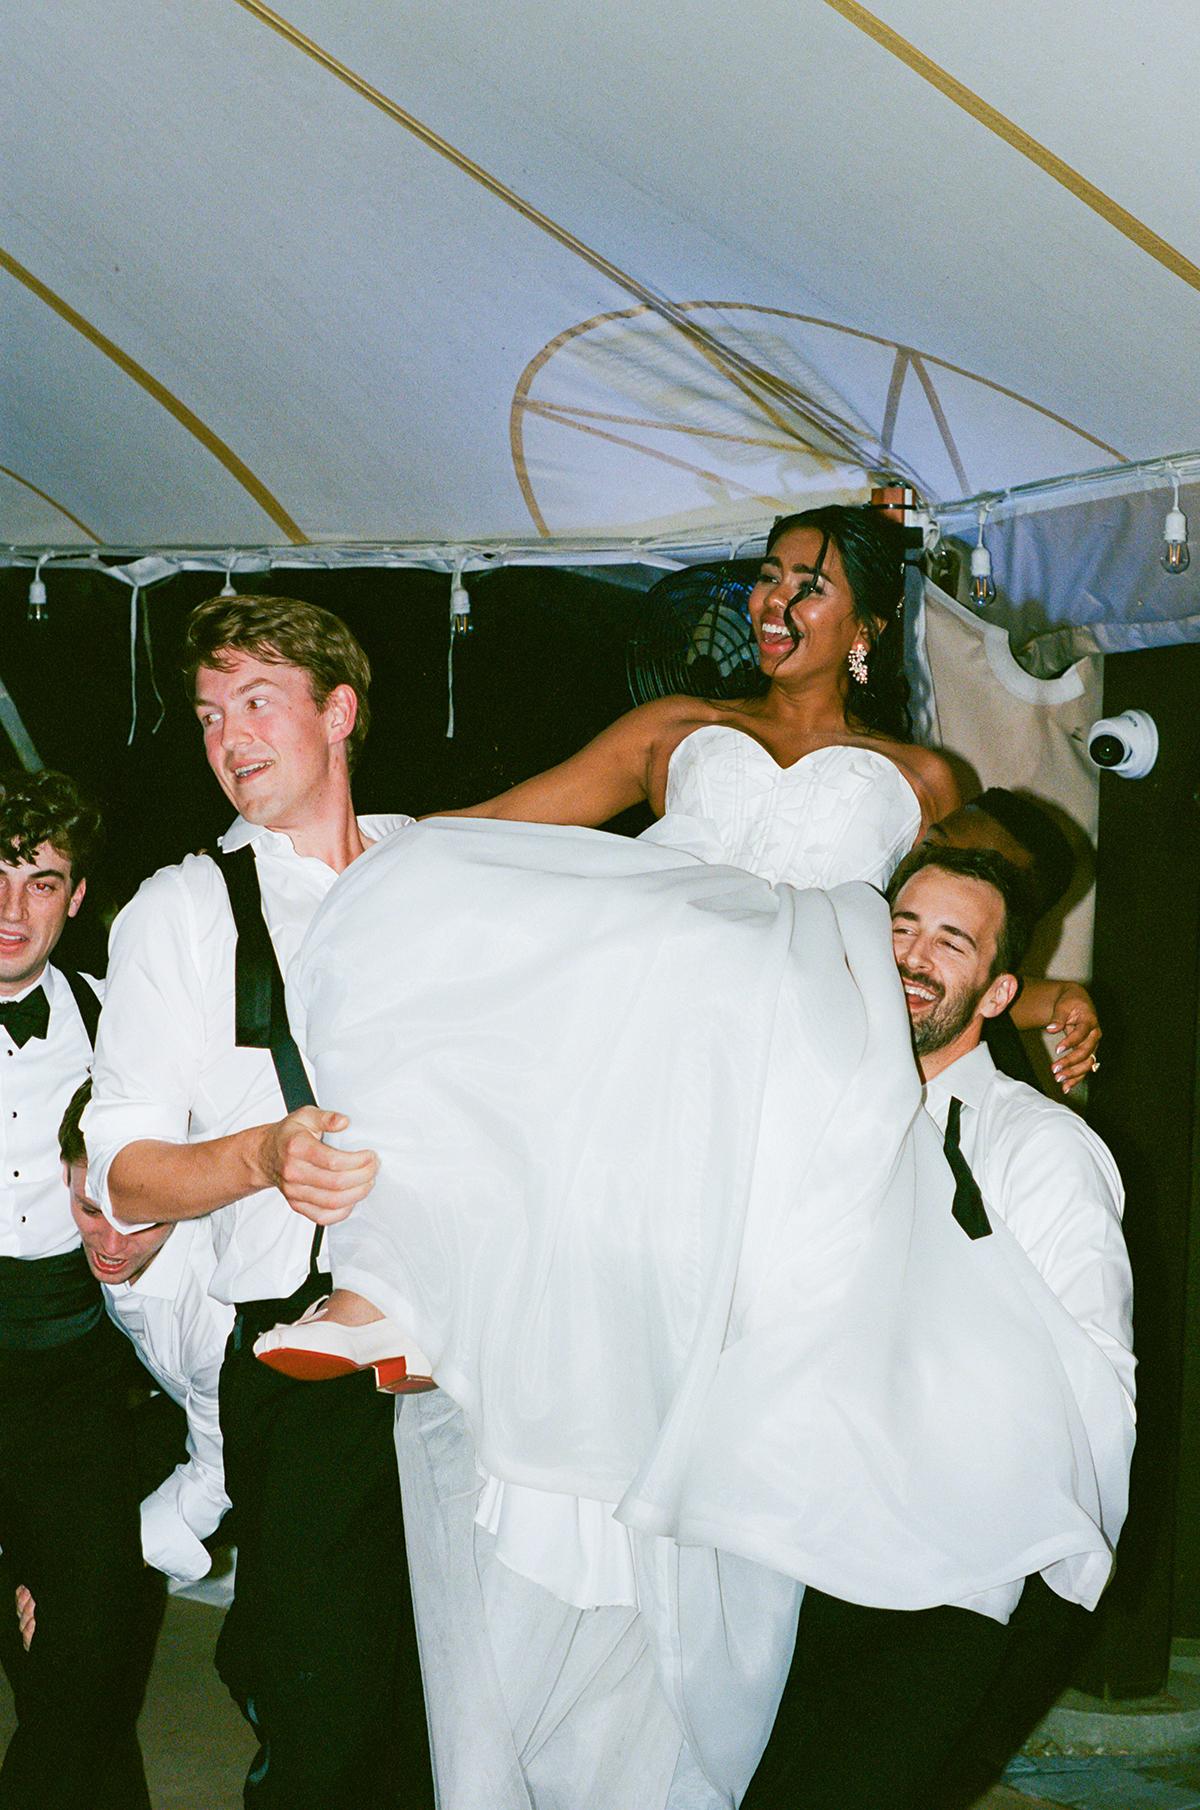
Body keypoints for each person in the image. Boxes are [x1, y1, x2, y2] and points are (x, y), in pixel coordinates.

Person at [251, 507, 1118, 1802]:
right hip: (643, 1082)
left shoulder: (925, 782)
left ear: (869, 629)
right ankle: (413, 1291)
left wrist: (1045, 999)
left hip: (779, 1115)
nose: (775, 601)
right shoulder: (672, 734)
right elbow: (490, 832)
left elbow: (946, 941)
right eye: (767, 577)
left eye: (808, 585)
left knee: (710, 1432)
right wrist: (356, 861)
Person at [81, 598, 434, 1810]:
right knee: (324, 1720)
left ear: (339, 712)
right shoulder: (183, 909)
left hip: (465, 1342)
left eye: (257, 700)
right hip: (304, 1360)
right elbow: (125, 1168)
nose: (228, 737)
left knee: (447, 1709)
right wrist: (266, 1156)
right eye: (208, 714)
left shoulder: (435, 869)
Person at [740, 842, 1133, 1809]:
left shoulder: (1039, 1150)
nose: (912, 955)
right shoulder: (803, 1117)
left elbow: (1097, 1385)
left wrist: (1041, 1583)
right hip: (787, 1545)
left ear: (1002, 993)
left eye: (951, 942)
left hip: (955, 1574)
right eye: (900, 928)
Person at [0, 769, 151, 1810]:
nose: (14, 911)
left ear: (77, 897)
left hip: (74, 1372)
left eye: (42, 883)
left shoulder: (114, 1021)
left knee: (87, 1652)